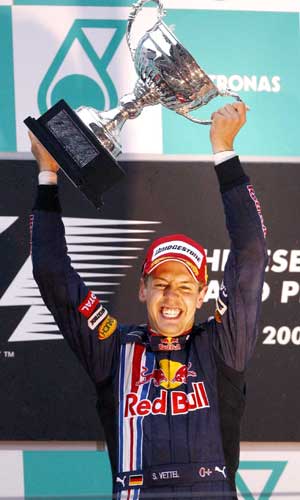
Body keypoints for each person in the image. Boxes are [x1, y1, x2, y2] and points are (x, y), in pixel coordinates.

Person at [29, 102, 268, 500]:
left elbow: (252, 252)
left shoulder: (223, 346)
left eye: (185, 285)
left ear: (202, 294)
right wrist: (47, 174)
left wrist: (224, 149)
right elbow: (52, 273)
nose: (172, 295)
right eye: (161, 283)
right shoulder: (113, 349)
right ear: (142, 289)